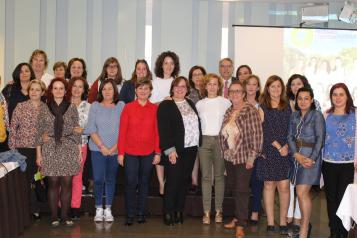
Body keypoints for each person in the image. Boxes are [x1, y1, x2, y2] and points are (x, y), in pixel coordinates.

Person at [35, 78, 81, 227]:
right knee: (53, 183)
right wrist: (39, 154)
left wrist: (79, 152)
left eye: (61, 88)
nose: (58, 91)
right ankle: (54, 216)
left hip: (68, 147)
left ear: (65, 91)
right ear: (51, 90)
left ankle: (65, 216)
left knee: (67, 183)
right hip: (50, 147)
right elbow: (39, 132)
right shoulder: (44, 107)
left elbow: (77, 130)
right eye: (55, 88)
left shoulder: (72, 107)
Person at [219, 81, 263, 238]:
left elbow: (257, 135)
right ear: (228, 94)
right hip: (230, 157)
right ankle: (238, 218)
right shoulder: (229, 110)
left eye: (238, 91)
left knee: (243, 190)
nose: (234, 94)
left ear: (244, 93)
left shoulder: (250, 111)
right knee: (235, 188)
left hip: (245, 158)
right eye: (232, 91)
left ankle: (241, 225)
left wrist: (252, 157)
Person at [157, 76, 201, 226]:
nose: (180, 89)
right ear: (172, 88)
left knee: (183, 181)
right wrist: (170, 150)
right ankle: (168, 212)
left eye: (183, 86)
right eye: (177, 86)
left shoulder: (189, 103)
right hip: (174, 151)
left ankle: (178, 210)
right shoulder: (166, 105)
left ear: (187, 89)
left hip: (191, 149)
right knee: (173, 182)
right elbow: (163, 130)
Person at [117, 78, 160, 226]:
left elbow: (157, 132)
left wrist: (158, 152)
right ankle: (130, 214)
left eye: (146, 88)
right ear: (136, 90)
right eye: (140, 88)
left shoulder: (154, 108)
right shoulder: (128, 108)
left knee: (144, 182)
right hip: (130, 152)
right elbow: (122, 132)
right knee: (130, 183)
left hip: (148, 152)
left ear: (150, 91)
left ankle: (141, 213)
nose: (143, 91)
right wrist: (121, 153)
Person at [285, 74, 322, 231]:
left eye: (306, 98)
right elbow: (290, 136)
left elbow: (320, 139)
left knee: (301, 192)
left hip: (310, 159)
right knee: (300, 192)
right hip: (296, 158)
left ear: (312, 100)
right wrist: (295, 154)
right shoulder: (294, 115)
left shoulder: (317, 115)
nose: (303, 101)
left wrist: (311, 159)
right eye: (300, 98)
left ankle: (304, 227)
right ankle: (302, 228)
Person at [85, 79, 125, 222]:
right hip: (97, 149)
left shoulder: (121, 106)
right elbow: (91, 128)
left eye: (110, 89)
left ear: (115, 91)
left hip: (115, 149)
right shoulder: (95, 106)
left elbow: (124, 130)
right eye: (104, 89)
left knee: (110, 179)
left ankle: (108, 208)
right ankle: (98, 208)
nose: (107, 92)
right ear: (100, 91)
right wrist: (102, 147)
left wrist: (113, 148)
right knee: (97, 179)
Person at [256, 75, 292, 235]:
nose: (276, 89)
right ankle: (271, 222)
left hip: (286, 150)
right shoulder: (262, 107)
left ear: (282, 88)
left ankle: (283, 221)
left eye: (278, 86)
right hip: (269, 150)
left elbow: (293, 129)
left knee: (284, 186)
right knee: (269, 185)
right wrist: (278, 146)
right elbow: (262, 131)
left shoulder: (289, 105)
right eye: (272, 86)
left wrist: (287, 146)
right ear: (267, 89)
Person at [322, 83, 357, 238]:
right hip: (328, 163)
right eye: (334, 94)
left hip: (349, 164)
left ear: (347, 96)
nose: (338, 97)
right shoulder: (326, 115)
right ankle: (334, 232)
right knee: (331, 200)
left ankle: (343, 232)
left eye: (341, 94)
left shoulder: (355, 114)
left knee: (344, 199)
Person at [196, 73, 231, 224]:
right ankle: (206, 212)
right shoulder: (199, 104)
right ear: (205, 86)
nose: (212, 86)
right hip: (204, 141)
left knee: (219, 177)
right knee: (205, 177)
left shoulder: (225, 102)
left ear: (219, 86)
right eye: (209, 84)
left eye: (215, 84)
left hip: (219, 141)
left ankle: (218, 211)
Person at [9, 80, 46, 219]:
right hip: (21, 149)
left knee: (36, 179)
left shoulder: (45, 109)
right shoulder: (20, 106)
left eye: (37, 90)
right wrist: (12, 150)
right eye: (32, 89)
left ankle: (34, 206)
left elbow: (46, 133)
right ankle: (30, 208)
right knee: (25, 180)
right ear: (28, 91)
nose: (34, 92)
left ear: (42, 92)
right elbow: (13, 129)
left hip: (39, 150)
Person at [152, 51, 180, 196]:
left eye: (171, 63)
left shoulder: (178, 82)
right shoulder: (155, 82)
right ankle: (161, 183)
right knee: (160, 153)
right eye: (166, 63)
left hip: (174, 124)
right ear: (161, 65)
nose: (168, 66)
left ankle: (169, 183)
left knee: (172, 154)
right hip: (159, 122)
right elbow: (152, 104)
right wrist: (165, 101)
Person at [68, 76, 91, 219]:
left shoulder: (89, 107)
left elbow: (92, 128)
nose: (77, 89)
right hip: (62, 147)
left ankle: (75, 207)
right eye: (74, 86)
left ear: (84, 90)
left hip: (81, 146)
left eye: (80, 86)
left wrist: (83, 130)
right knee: (62, 178)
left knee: (77, 177)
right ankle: (61, 205)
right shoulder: (62, 104)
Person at [244, 75, 263, 225]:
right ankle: (240, 214)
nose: (251, 87)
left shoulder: (262, 106)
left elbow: (263, 130)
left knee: (257, 183)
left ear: (258, 87)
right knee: (242, 185)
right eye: (248, 84)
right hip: (241, 152)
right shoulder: (238, 104)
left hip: (257, 151)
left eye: (254, 84)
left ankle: (255, 212)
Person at [187, 65, 206, 191]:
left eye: (200, 74)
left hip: (208, 127)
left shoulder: (210, 90)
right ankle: (194, 182)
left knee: (206, 156)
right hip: (193, 128)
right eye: (195, 75)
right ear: (191, 78)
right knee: (194, 156)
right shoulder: (188, 93)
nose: (198, 77)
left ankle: (209, 182)